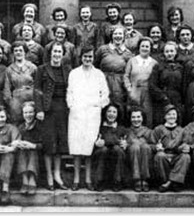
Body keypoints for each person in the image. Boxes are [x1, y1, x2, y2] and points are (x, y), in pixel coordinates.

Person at [66, 45, 110, 191]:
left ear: (93, 58)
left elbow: (105, 94)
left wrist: (98, 106)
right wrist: (72, 105)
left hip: (92, 115)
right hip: (77, 114)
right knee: (77, 147)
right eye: (85, 56)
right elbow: (69, 92)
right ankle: (77, 179)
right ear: (81, 57)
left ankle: (88, 179)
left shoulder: (99, 74)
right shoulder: (74, 73)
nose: (87, 59)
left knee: (89, 147)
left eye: (90, 57)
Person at [34, 42, 71, 191]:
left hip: (63, 110)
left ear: (63, 54)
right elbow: (37, 90)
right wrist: (39, 109)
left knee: (60, 144)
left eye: (59, 52)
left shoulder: (68, 70)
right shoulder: (41, 69)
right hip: (48, 110)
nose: (56, 54)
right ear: (50, 54)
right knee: (49, 144)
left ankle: (57, 174)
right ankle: (49, 176)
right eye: (54, 52)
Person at [95, 26, 133, 124]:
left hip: (119, 84)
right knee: (102, 105)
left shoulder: (128, 53)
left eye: (120, 34)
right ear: (111, 36)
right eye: (115, 34)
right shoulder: (102, 49)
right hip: (103, 81)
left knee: (118, 106)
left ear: (124, 36)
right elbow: (95, 65)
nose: (118, 36)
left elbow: (130, 72)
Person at [153, 104, 191, 193]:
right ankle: (168, 181)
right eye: (169, 114)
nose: (171, 117)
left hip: (176, 156)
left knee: (186, 157)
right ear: (165, 116)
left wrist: (184, 147)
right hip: (164, 155)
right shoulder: (158, 129)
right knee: (160, 156)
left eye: (174, 114)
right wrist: (156, 147)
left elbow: (186, 143)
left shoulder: (182, 130)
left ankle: (169, 183)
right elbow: (151, 143)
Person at [92, 103, 127, 192]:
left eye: (114, 112)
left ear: (117, 114)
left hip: (116, 155)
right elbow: (95, 141)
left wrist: (124, 144)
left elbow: (122, 142)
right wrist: (97, 143)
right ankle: (99, 181)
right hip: (101, 154)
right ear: (105, 113)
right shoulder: (98, 127)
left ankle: (117, 181)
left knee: (117, 149)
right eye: (109, 111)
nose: (111, 114)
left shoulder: (121, 128)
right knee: (103, 150)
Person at [124, 37, 158, 128]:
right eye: (142, 46)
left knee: (147, 115)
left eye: (147, 46)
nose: (144, 48)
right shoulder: (132, 61)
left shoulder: (154, 63)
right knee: (133, 115)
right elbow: (126, 76)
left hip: (148, 93)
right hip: (134, 92)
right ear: (139, 47)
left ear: (150, 48)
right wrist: (129, 90)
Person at [150, 41, 184, 126]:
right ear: (164, 53)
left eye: (172, 51)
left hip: (177, 98)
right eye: (167, 51)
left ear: (176, 52)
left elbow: (184, 84)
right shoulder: (158, 67)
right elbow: (152, 85)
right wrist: (162, 97)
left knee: (177, 120)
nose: (169, 54)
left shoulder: (181, 67)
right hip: (162, 98)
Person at [4, 41, 37, 124]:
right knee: (17, 122)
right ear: (13, 53)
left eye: (20, 50)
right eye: (16, 51)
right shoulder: (9, 69)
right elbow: (7, 88)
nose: (18, 53)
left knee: (31, 121)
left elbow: (38, 85)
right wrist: (10, 102)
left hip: (30, 98)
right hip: (16, 100)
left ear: (25, 52)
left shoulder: (32, 67)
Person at [124, 108, 153, 192]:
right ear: (130, 119)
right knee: (135, 147)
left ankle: (145, 179)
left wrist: (146, 145)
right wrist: (127, 144)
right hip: (131, 160)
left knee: (145, 147)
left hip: (145, 158)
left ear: (142, 118)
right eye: (133, 117)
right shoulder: (126, 131)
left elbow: (154, 145)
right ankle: (136, 179)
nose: (136, 120)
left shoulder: (148, 132)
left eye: (138, 117)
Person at [17, 102, 43, 195]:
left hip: (38, 157)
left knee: (32, 151)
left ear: (35, 113)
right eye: (25, 113)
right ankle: (25, 179)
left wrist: (33, 145)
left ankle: (32, 179)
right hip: (23, 156)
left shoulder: (40, 126)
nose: (28, 115)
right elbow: (16, 140)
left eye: (31, 112)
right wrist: (20, 144)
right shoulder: (21, 127)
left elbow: (45, 144)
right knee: (22, 151)